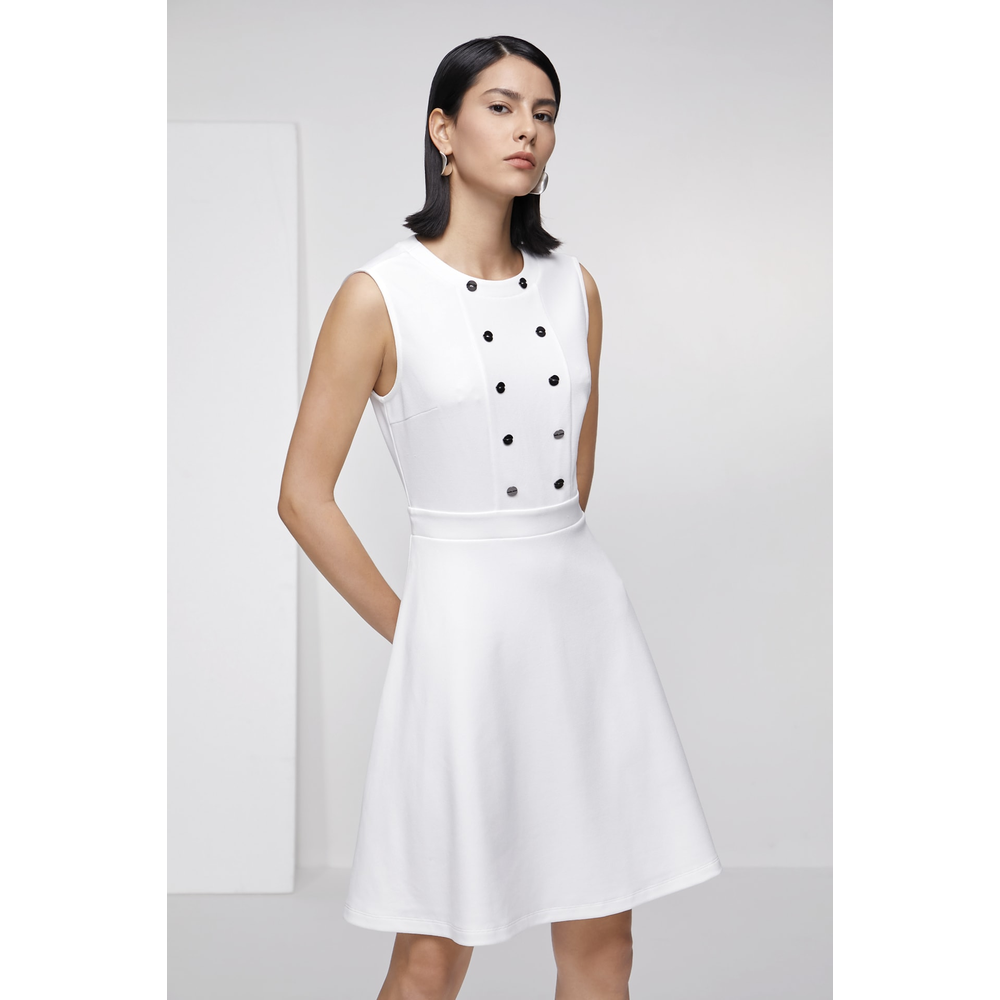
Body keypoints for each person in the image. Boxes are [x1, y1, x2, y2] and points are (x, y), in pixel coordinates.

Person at [278, 34, 722, 1000]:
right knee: (435, 950)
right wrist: (417, 631)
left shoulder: (575, 287)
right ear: (442, 131)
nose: (528, 129)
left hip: (585, 629)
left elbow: (572, 482)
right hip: (459, 634)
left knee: (605, 935)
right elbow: (302, 496)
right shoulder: (379, 296)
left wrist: (545, 588)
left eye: (545, 112)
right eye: (501, 106)